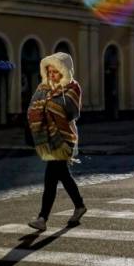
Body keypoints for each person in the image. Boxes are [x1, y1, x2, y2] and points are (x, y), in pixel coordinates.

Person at [26, 52, 87, 232]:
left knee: (52, 178)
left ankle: (43, 218)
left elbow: (70, 111)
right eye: (49, 71)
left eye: (55, 72)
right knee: (61, 176)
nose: (51, 75)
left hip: (63, 138)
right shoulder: (43, 88)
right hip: (48, 138)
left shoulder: (72, 87)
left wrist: (50, 103)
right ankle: (78, 206)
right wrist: (46, 104)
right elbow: (32, 107)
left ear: (64, 71)